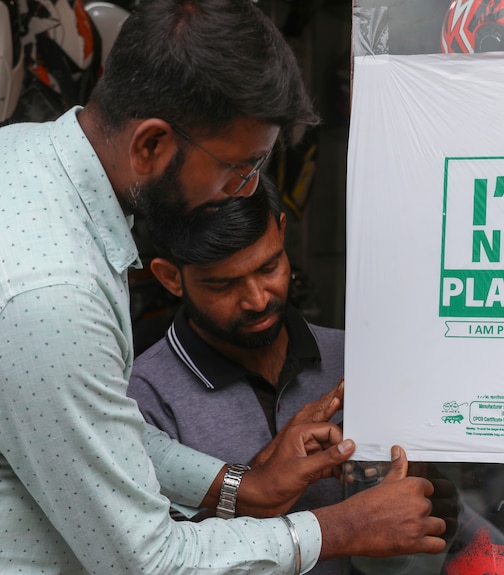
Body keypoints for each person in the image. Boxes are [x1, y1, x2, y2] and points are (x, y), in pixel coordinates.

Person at [0, 0, 446, 572]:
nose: (243, 193)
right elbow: (147, 561)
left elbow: (96, 435)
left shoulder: (25, 158)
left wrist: (242, 487)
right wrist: (338, 528)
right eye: (239, 168)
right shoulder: (53, 296)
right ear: (151, 146)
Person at [128, 177, 348, 574]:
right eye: (223, 284)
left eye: (269, 267)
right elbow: (159, 559)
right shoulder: (139, 398)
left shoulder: (351, 359)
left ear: (282, 231)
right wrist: (259, 476)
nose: (257, 299)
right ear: (170, 278)